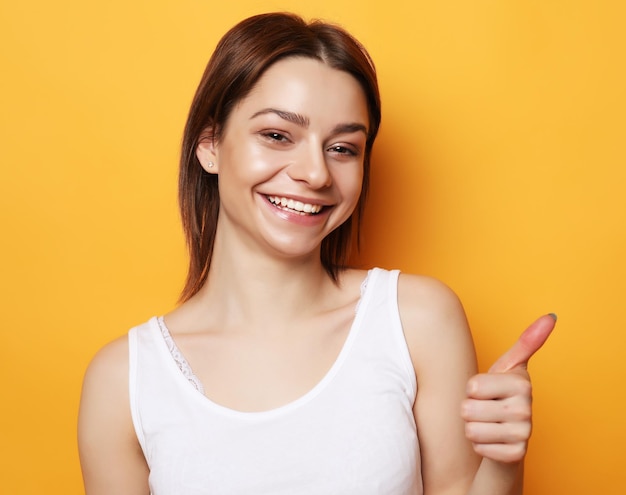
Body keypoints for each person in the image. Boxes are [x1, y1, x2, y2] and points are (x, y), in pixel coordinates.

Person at [78, 12, 556, 495]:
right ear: (210, 145)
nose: (316, 174)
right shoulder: (125, 382)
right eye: (277, 136)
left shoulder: (417, 321)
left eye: (343, 148)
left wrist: (500, 465)